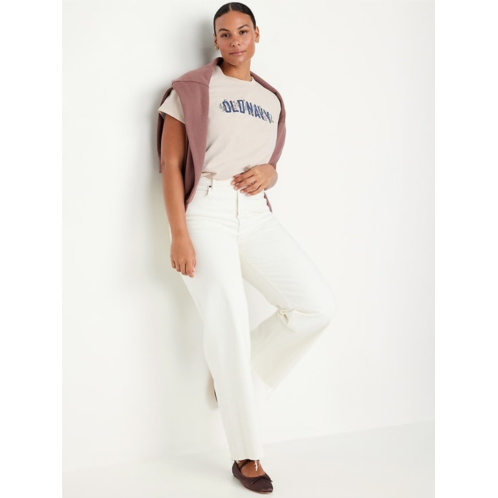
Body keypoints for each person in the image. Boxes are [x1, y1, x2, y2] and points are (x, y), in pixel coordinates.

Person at [157, 3, 336, 493]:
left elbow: (267, 159)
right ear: (215, 41)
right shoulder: (191, 89)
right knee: (229, 323)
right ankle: (247, 455)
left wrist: (272, 173)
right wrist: (179, 233)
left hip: (255, 214)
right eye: (224, 33)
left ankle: (234, 373)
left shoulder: (270, 98)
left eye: (242, 31)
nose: (234, 40)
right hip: (206, 210)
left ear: (257, 34)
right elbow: (170, 164)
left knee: (316, 305)